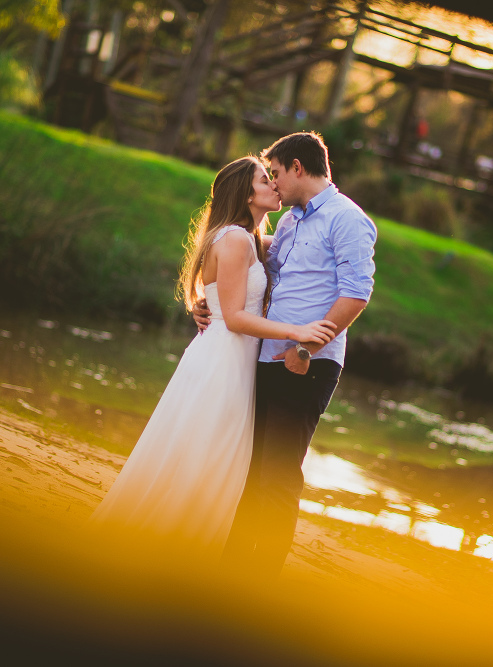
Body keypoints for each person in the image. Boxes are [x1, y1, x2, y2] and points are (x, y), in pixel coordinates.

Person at [90, 156, 337, 559]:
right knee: (208, 453)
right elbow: (237, 318)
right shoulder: (236, 239)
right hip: (225, 359)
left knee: (200, 450)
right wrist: (298, 332)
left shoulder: (248, 238)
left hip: (228, 358)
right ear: (245, 192)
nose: (274, 184)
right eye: (265, 179)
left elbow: (285, 266)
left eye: (274, 177)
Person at [197, 132, 377, 578]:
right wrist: (213, 303)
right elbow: (259, 276)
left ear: (298, 167)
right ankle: (231, 568)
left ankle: (260, 578)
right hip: (263, 356)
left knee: (278, 473)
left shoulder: (347, 219)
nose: (273, 183)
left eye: (275, 173)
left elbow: (356, 294)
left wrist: (305, 347)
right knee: (249, 468)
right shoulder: (292, 221)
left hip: (307, 362)